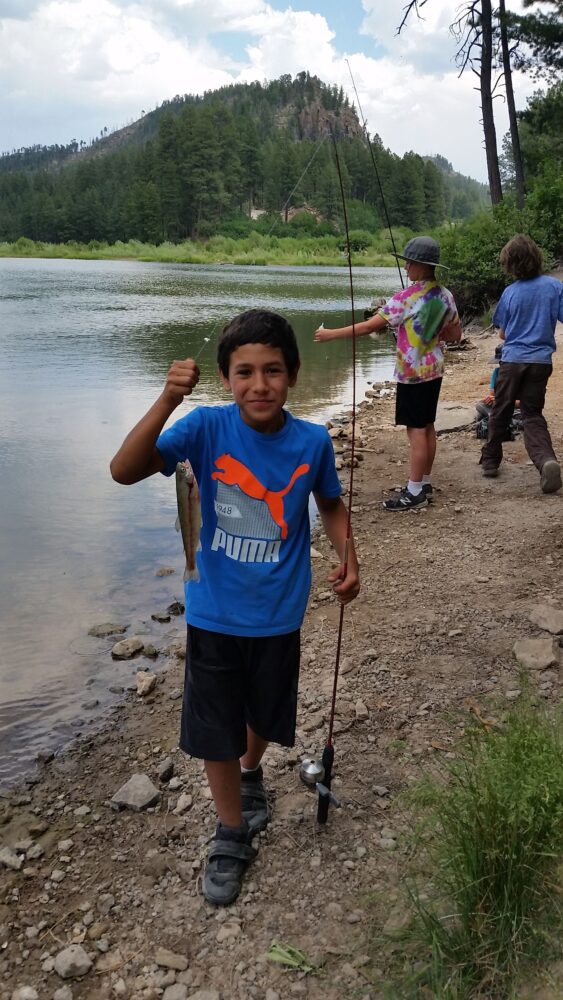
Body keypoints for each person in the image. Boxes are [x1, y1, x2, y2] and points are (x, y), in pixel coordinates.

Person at [110, 309, 360, 906]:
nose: (259, 384)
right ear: (226, 379)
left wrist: (350, 556)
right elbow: (123, 470)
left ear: (294, 376)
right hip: (213, 613)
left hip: (280, 613)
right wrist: (168, 399)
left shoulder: (313, 440)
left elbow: (328, 503)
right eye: (244, 372)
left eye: (272, 370)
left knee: (263, 715)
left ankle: (252, 775)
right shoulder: (202, 430)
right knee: (215, 727)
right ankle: (229, 829)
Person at [314, 236, 462, 510]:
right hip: (435, 370)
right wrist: (430, 333)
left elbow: (369, 327)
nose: (405, 268)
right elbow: (455, 334)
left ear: (420, 265)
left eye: (408, 263)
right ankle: (424, 483)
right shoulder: (445, 295)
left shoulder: (405, 298)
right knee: (427, 426)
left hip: (413, 373)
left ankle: (415, 491)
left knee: (416, 431)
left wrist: (330, 334)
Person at [480, 234, 563, 493]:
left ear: (510, 264)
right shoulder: (554, 287)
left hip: (513, 360)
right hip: (540, 361)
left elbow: (503, 333)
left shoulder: (510, 292)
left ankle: (491, 461)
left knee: (501, 409)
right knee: (532, 414)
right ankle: (546, 460)